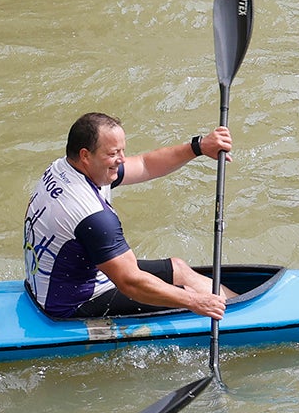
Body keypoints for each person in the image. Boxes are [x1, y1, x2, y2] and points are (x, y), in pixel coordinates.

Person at [23, 111, 234, 320]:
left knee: (178, 268)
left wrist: (198, 147)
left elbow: (145, 164)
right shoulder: (93, 216)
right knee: (184, 295)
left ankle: (236, 306)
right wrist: (194, 301)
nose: (121, 159)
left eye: (122, 151)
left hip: (72, 277)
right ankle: (232, 317)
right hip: (72, 304)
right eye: (113, 153)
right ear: (85, 155)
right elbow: (131, 283)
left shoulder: (65, 167)